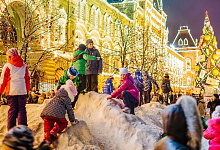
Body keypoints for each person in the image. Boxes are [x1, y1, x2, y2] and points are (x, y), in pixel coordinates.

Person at [0, 48, 30, 130]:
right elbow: (27, 79)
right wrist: (27, 89)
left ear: (10, 56)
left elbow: (3, 80)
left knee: (12, 110)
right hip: (22, 91)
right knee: (22, 109)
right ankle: (23, 128)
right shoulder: (24, 66)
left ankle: (11, 129)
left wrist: (1, 91)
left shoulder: (7, 66)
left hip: (11, 91)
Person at [40, 80, 79, 145]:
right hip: (57, 114)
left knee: (48, 124)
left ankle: (47, 137)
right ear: (71, 94)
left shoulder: (56, 96)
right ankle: (55, 129)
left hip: (46, 113)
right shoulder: (67, 98)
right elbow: (70, 111)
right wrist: (72, 120)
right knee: (63, 123)